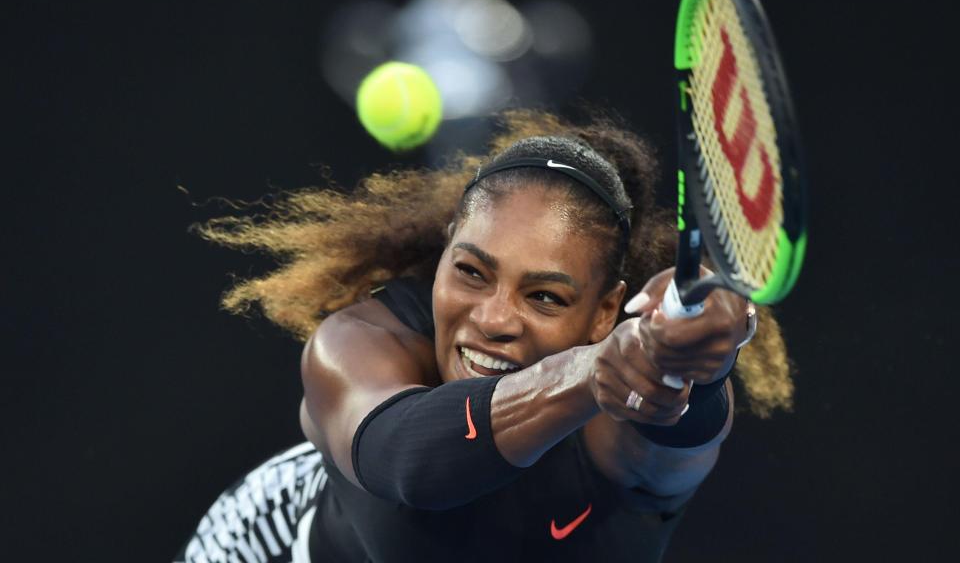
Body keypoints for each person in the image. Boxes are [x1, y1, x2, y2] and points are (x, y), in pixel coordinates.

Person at [174, 110, 794, 563]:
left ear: (607, 312)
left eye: (545, 296)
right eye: (472, 272)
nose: (495, 319)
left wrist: (691, 366)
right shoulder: (362, 344)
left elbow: (677, 427)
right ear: (443, 254)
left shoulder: (622, 423)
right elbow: (409, 462)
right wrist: (589, 371)